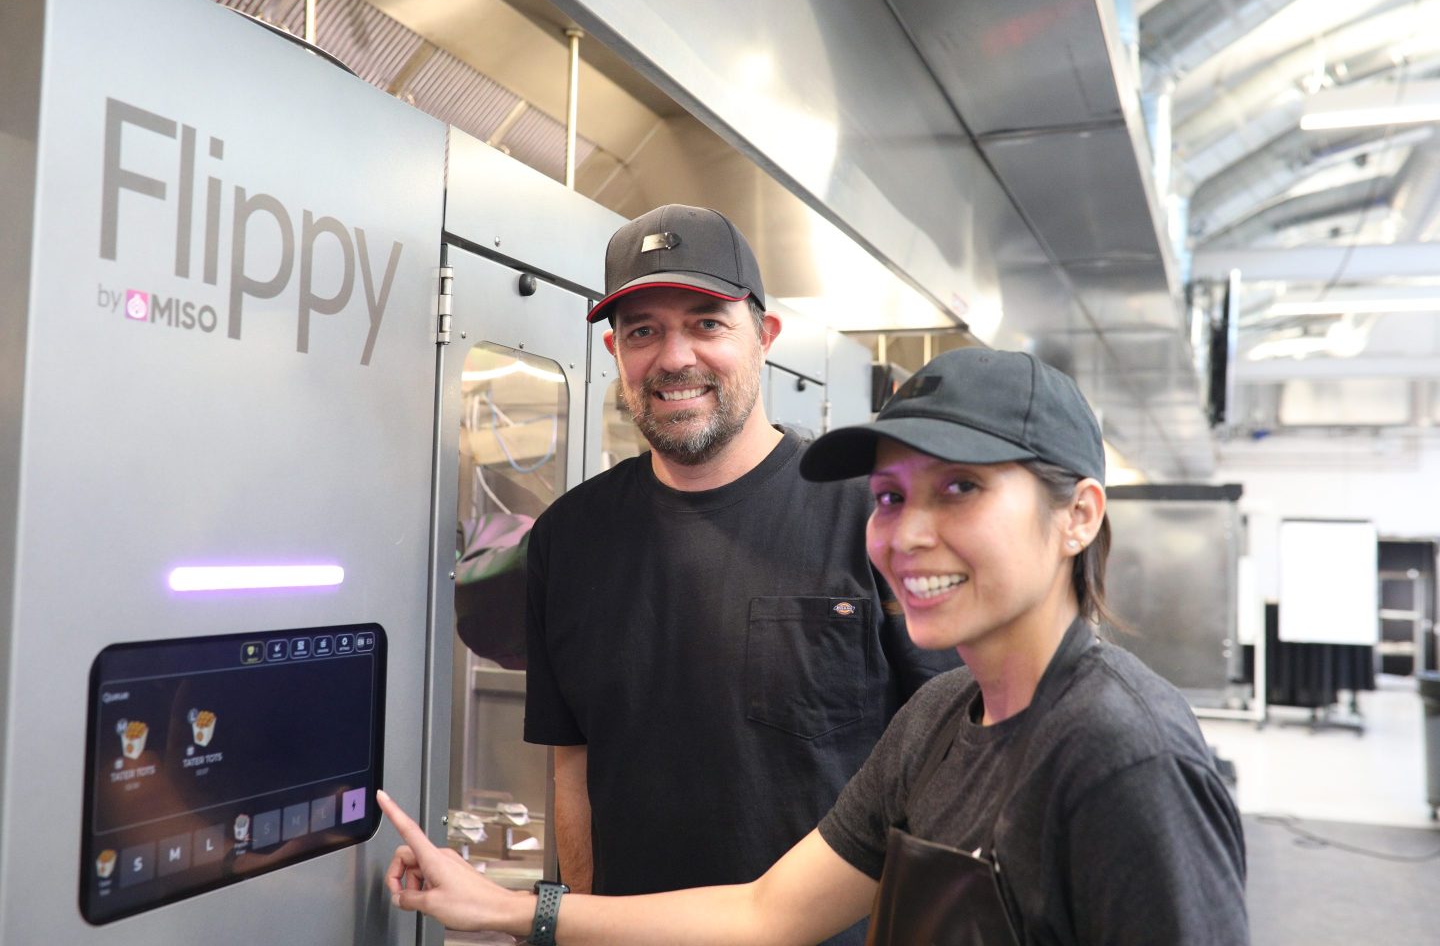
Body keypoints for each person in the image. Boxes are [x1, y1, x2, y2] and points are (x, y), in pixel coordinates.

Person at [378, 346, 1249, 946]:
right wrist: (510, 908)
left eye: (961, 489)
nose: (908, 535)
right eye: (891, 497)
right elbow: (766, 913)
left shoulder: (1121, 754)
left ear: (1079, 517)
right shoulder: (941, 720)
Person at [518, 205, 956, 942]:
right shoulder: (568, 537)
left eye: (707, 323)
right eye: (643, 331)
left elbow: (948, 770)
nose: (674, 357)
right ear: (614, 349)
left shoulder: (871, 522)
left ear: (766, 336)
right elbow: (574, 768)